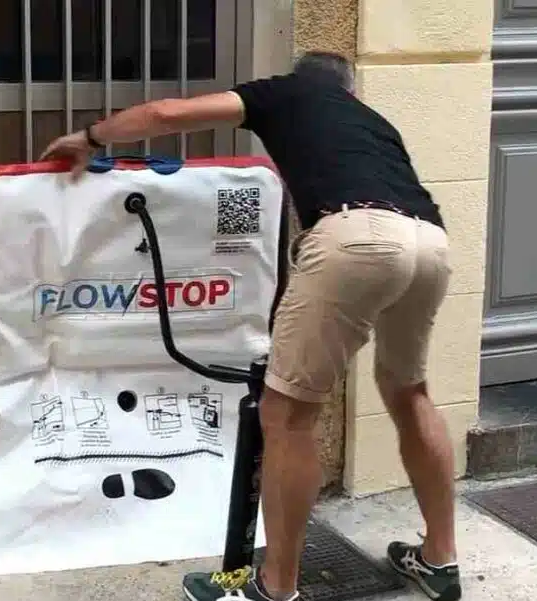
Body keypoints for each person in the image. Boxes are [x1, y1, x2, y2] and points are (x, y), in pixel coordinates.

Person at [40, 50, 462, 601]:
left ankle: (274, 586)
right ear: (352, 91)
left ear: (297, 79)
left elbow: (166, 114)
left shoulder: (285, 93)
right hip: (429, 242)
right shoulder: (374, 121)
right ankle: (440, 559)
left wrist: (91, 137)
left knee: (287, 415)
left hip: (356, 236)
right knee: (410, 392)